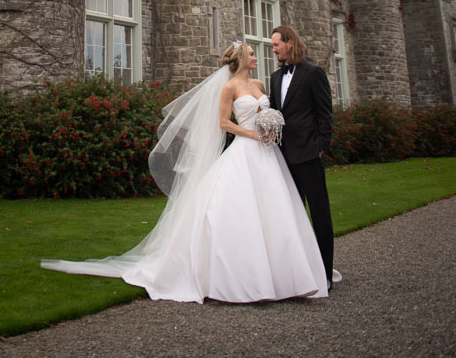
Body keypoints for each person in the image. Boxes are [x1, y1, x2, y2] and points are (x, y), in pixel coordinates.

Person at [41, 41, 328, 303]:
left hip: (269, 155)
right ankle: (247, 279)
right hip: (246, 149)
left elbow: (273, 114)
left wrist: (270, 128)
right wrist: (253, 135)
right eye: (252, 53)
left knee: (278, 211)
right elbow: (224, 124)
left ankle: (287, 276)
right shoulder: (228, 88)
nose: (257, 56)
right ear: (240, 58)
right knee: (238, 211)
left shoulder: (261, 85)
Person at [269, 25, 338, 290]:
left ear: (289, 43)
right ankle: (300, 270)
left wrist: (321, 146)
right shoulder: (276, 77)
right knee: (294, 214)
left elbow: (325, 114)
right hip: (285, 155)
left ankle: (325, 273)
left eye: (276, 45)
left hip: (309, 153)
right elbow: (276, 112)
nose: (273, 49)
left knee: (320, 214)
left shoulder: (313, 73)